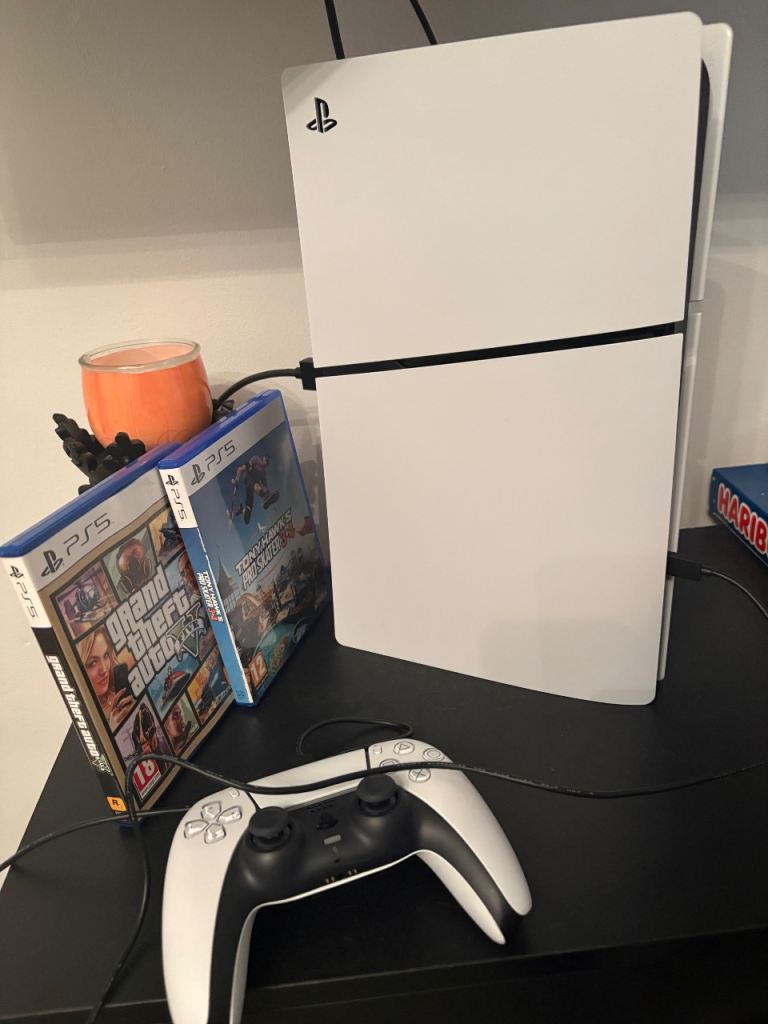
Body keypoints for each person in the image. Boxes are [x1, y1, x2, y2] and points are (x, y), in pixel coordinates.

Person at [80, 627, 135, 730]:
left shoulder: (119, 688)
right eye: (93, 663)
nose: (104, 669)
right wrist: (113, 728)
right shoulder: (89, 716)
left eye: (105, 655)